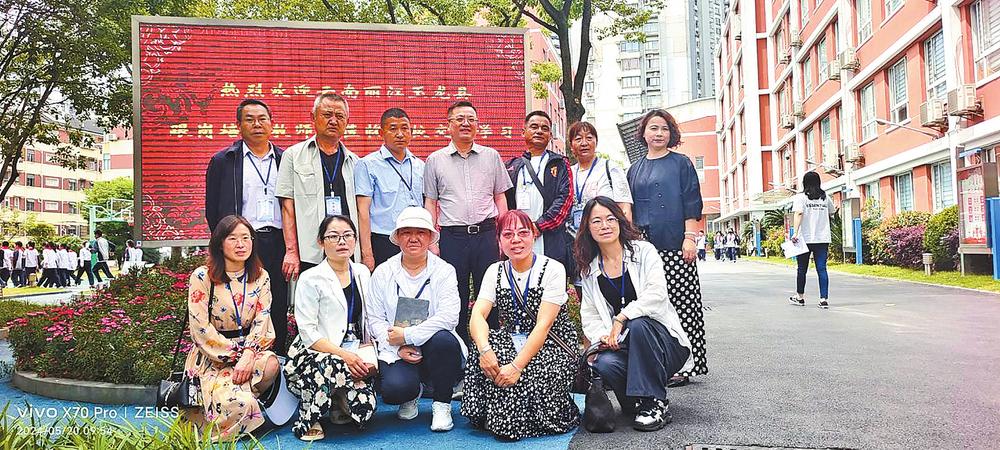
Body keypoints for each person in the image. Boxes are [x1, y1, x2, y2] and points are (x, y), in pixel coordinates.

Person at [575, 196, 694, 431]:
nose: (605, 225)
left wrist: (622, 318)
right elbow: (589, 314)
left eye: (610, 219)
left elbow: (657, 294)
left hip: (664, 344)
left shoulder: (643, 251)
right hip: (625, 346)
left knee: (638, 324)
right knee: (605, 363)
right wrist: (604, 336)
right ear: (587, 228)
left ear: (620, 221)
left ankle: (654, 402)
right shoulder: (590, 269)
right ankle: (636, 401)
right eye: (596, 221)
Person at [462, 209, 579, 441]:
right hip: (513, 337)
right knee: (486, 351)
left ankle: (507, 416)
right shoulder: (495, 271)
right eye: (508, 234)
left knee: (521, 377)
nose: (516, 240)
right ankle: (501, 412)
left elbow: (543, 326)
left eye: (523, 233)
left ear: (533, 235)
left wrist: (516, 366)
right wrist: (485, 351)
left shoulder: (553, 269)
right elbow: (478, 315)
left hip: (552, 343)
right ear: (499, 240)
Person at [626, 109, 707, 387]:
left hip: (676, 245)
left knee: (683, 304)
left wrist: (689, 237)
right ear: (643, 133)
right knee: (650, 306)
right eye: (653, 128)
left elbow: (692, 202)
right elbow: (629, 209)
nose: (659, 133)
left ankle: (686, 364)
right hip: (643, 249)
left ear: (671, 133)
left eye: (664, 128)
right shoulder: (634, 169)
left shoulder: (681, 163)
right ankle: (658, 362)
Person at [366, 207, 465, 432]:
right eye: (406, 232)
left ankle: (442, 404)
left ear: (430, 237)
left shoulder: (444, 271)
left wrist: (409, 335)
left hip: (433, 344)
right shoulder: (383, 272)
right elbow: (375, 318)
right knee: (394, 389)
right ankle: (411, 394)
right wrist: (398, 344)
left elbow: (449, 316)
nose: (413, 238)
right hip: (396, 346)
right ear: (397, 237)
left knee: (445, 342)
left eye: (420, 232)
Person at [423, 100, 513, 346]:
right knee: (455, 294)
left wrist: (503, 234)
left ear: (477, 125)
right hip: (453, 237)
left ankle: (493, 346)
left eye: (471, 119)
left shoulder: (491, 156)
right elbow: (431, 202)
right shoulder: (435, 160)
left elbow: (500, 197)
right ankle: (460, 349)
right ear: (448, 125)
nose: (466, 123)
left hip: (487, 234)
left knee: (490, 293)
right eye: (460, 119)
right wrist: (432, 242)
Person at [183, 215, 280, 441]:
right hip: (212, 355)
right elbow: (200, 328)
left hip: (249, 351)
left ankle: (238, 394)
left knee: (271, 364)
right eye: (233, 238)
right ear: (219, 243)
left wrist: (249, 353)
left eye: (246, 238)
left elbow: (263, 320)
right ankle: (237, 401)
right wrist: (237, 355)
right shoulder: (202, 276)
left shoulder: (261, 276)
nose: (241, 244)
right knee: (241, 404)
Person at [205, 99, 290, 354]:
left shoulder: (286, 159)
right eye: (250, 119)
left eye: (262, 119)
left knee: (277, 302)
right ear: (238, 125)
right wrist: (227, 243)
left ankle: (275, 359)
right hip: (242, 242)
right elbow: (212, 210)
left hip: (278, 240)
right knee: (241, 301)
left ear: (272, 124)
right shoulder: (224, 160)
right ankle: (238, 357)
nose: (257, 124)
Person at [283, 215, 377, 440]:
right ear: (321, 242)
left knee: (364, 408)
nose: (342, 241)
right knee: (334, 365)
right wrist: (344, 355)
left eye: (347, 235)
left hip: (353, 347)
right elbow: (308, 333)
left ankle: (337, 398)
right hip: (315, 352)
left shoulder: (362, 272)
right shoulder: (310, 278)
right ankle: (309, 416)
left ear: (355, 240)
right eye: (333, 236)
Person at [276, 91, 361, 284]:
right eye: (327, 115)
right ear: (313, 118)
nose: (333, 121)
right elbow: (287, 208)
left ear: (347, 122)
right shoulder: (293, 155)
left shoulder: (355, 162)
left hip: (346, 249)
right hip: (311, 251)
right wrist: (291, 251)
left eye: (340, 116)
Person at [504, 110, 574, 274]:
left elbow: (565, 199)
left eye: (545, 128)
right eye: (534, 127)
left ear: (550, 135)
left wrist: (538, 226)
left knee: (549, 280)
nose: (539, 131)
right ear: (523, 132)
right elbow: (504, 203)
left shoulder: (560, 163)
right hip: (518, 237)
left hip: (550, 237)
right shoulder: (511, 166)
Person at [355, 108, 425, 270]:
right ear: (381, 133)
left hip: (415, 239)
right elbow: (363, 211)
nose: (400, 134)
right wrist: (367, 253)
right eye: (393, 129)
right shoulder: (367, 165)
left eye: (405, 128)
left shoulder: (420, 166)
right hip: (383, 240)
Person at [567, 121, 633, 235]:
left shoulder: (611, 168)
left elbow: (625, 208)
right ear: (571, 146)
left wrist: (623, 237)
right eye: (578, 139)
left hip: (605, 235)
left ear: (596, 142)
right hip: (573, 237)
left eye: (589, 138)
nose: (584, 143)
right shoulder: (568, 173)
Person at [789, 171, 837, 309]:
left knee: (802, 269)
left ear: (804, 183)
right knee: (822, 269)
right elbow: (832, 211)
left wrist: (795, 232)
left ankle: (800, 297)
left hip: (805, 238)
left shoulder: (801, 198)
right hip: (822, 238)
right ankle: (823, 299)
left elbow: (799, 213)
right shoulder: (825, 197)